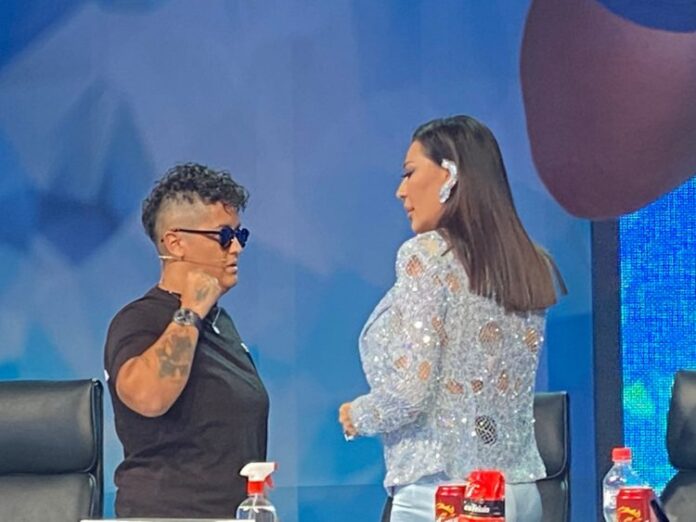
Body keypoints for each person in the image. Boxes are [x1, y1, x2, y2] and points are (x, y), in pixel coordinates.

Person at [339, 115, 566, 522]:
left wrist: (357, 415)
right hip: (522, 494)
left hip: (444, 496)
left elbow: (410, 394)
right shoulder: (527, 263)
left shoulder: (426, 256)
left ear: (450, 175)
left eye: (410, 173)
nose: (401, 191)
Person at [104, 163, 269, 518]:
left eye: (240, 235)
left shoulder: (221, 324)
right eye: (223, 236)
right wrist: (191, 310)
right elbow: (148, 396)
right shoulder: (138, 320)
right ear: (176, 243)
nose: (236, 248)